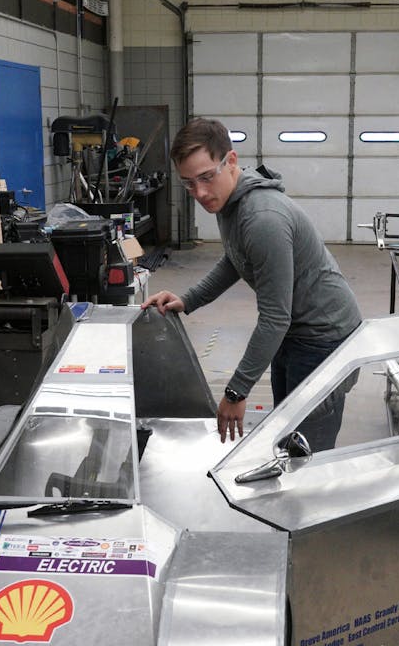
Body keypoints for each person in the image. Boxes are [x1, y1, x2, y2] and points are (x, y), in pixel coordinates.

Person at [142, 117, 362, 450]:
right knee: (286, 430)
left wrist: (237, 391)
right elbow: (235, 258)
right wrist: (188, 300)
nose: (199, 193)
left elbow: (275, 317)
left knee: (308, 451)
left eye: (206, 177)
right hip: (296, 331)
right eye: (188, 183)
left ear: (230, 161)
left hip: (324, 337)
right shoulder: (228, 202)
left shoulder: (262, 219)